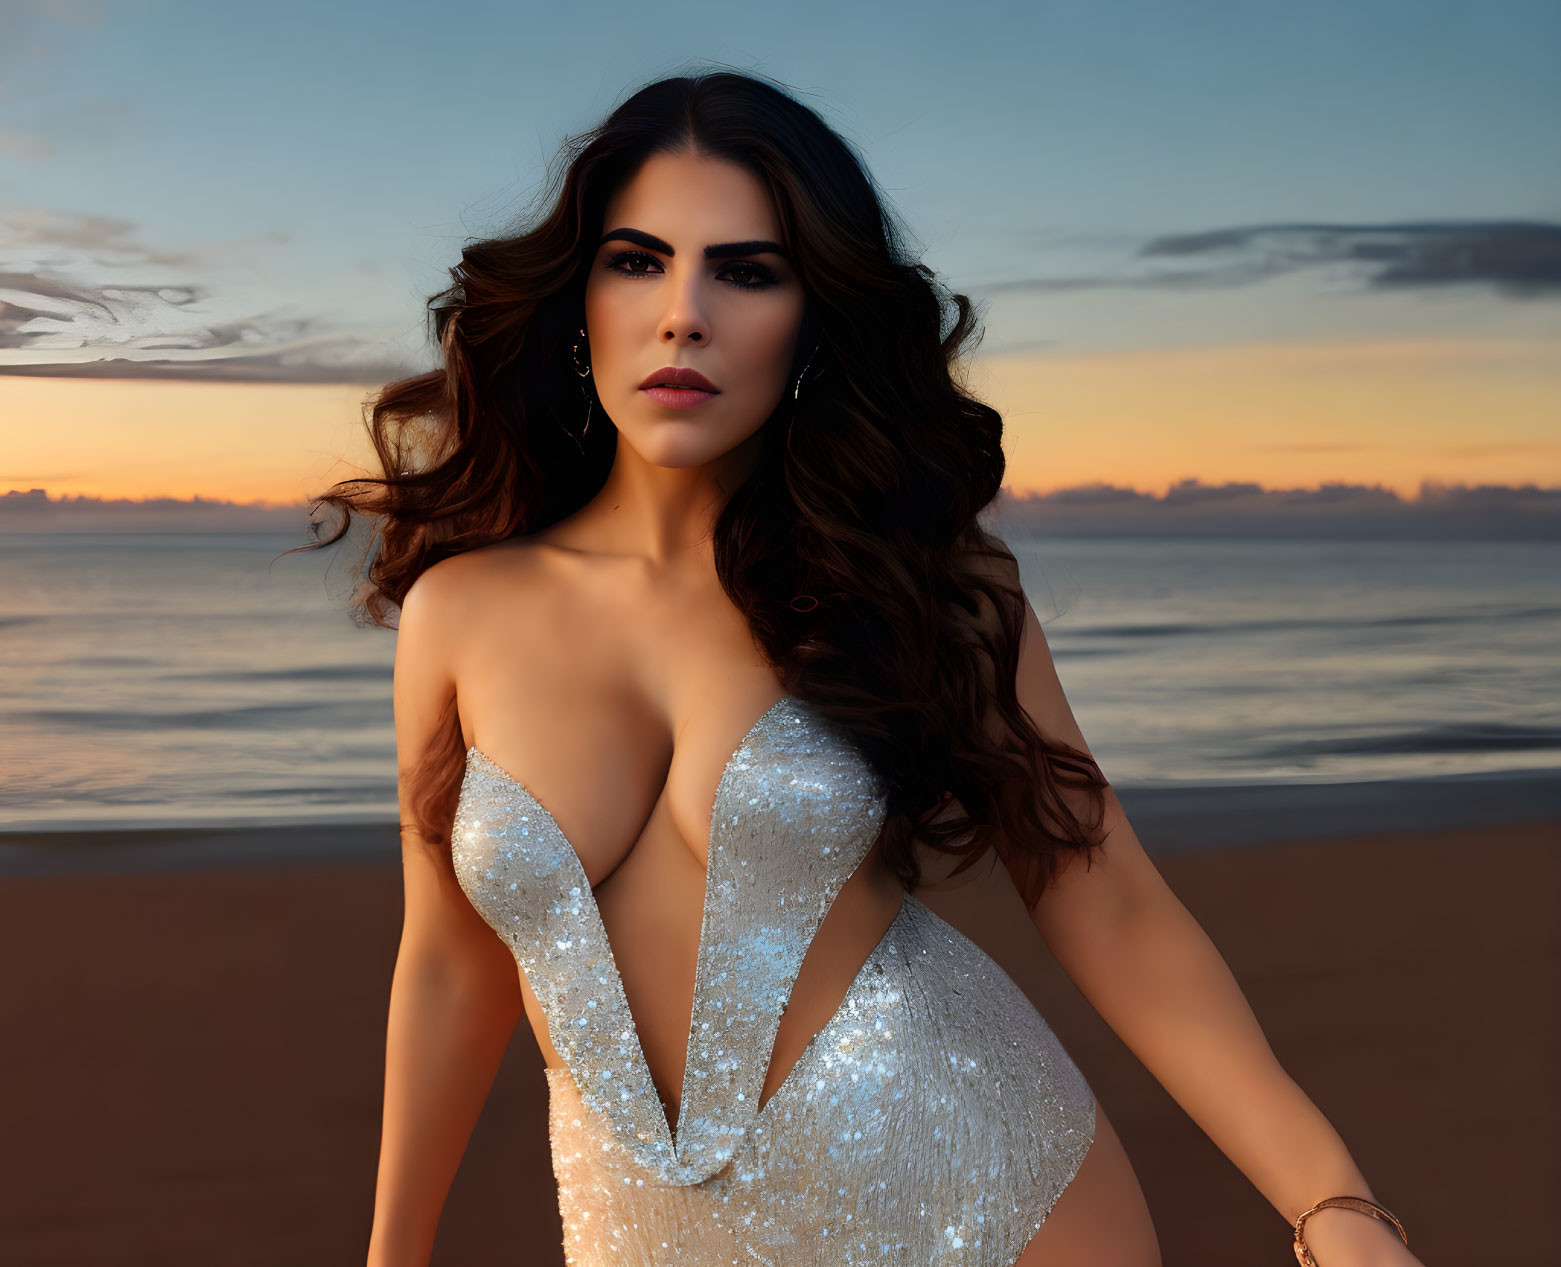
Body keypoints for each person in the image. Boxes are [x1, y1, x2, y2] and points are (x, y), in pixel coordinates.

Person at [304, 67, 1422, 1267]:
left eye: (746, 270)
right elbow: (449, 961)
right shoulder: (462, 613)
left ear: (813, 318)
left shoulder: (919, 578)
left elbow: (1106, 896)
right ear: (579, 298)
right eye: (638, 260)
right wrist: (393, 1250)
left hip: (990, 1199)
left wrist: (1331, 1204)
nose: (685, 313)